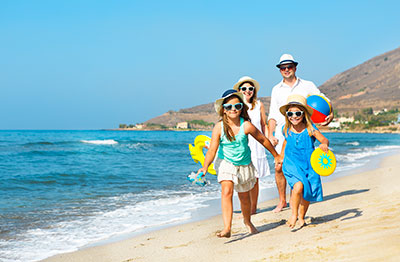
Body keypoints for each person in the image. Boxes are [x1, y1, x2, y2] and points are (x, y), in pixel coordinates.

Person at [197, 89, 282, 238]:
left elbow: (262, 140)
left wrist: (276, 155)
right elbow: (212, 150)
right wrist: (205, 167)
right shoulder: (219, 127)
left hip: (244, 164)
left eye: (237, 106)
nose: (233, 109)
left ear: (241, 108)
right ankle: (227, 228)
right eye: (229, 107)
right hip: (226, 163)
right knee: (227, 191)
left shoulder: (246, 125)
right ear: (224, 110)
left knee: (244, 198)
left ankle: (247, 221)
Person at [268, 54, 334, 213]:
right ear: (280, 70)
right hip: (284, 133)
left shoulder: (307, 85)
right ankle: (282, 200)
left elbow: (323, 100)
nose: (286, 70)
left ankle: (295, 199)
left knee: (299, 170)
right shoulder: (276, 89)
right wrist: (270, 134)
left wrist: (331, 113)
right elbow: (272, 115)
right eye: (282, 68)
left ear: (295, 67)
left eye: (289, 67)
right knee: (279, 168)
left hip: (304, 132)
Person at [277, 94, 329, 229]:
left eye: (298, 113)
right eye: (290, 113)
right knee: (298, 186)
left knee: (307, 192)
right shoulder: (286, 129)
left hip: (309, 164)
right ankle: (293, 215)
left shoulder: (310, 129)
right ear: (287, 115)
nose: (294, 116)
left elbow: (324, 140)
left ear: (304, 114)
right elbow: (286, 142)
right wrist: (281, 157)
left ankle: (301, 217)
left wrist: (324, 145)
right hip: (292, 164)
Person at [233, 76, 271, 215]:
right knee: (242, 176)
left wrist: (269, 138)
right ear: (239, 90)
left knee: (255, 178)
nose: (247, 91)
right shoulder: (236, 105)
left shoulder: (259, 105)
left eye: (250, 88)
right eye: (244, 88)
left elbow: (263, 124)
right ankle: (245, 207)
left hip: (257, 144)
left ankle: (253, 208)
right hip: (242, 144)